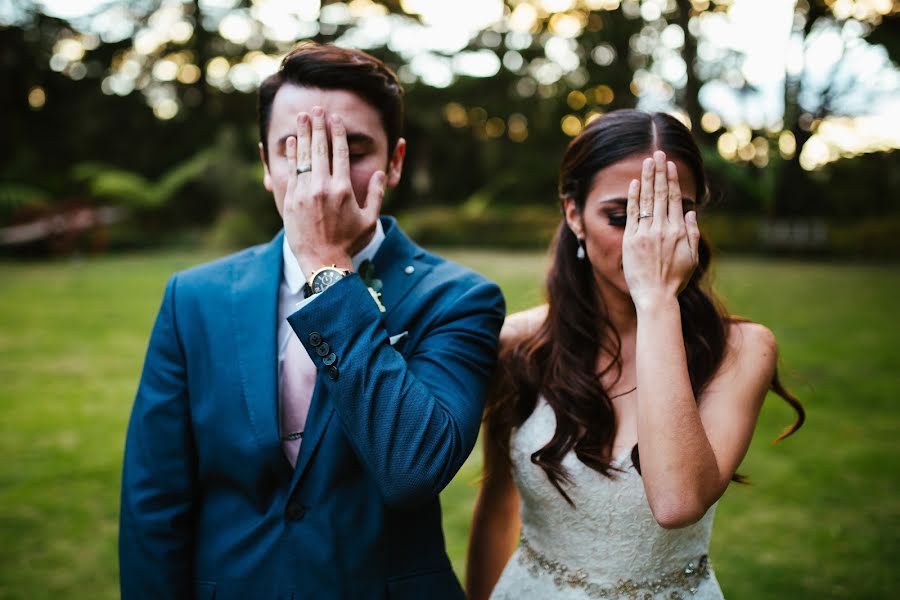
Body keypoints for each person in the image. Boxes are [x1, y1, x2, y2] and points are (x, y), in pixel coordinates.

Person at [119, 42, 505, 599]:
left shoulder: (458, 298)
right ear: (267, 168)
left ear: (395, 162)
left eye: (352, 149)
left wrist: (328, 265)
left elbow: (413, 468)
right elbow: (154, 503)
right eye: (299, 150)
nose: (327, 177)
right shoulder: (193, 298)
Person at [466, 109, 804, 600]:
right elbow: (497, 506)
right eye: (621, 217)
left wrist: (657, 300)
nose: (645, 240)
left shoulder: (743, 350)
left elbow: (677, 500)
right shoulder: (516, 343)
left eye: (670, 213)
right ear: (572, 213)